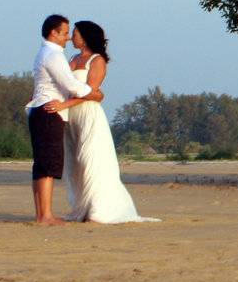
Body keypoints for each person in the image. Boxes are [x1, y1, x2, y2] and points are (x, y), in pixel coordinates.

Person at [51, 19, 158, 224]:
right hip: (71, 119)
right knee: (74, 165)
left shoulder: (97, 60)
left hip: (88, 115)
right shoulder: (72, 58)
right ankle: (81, 207)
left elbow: (92, 92)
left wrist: (65, 105)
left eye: (76, 33)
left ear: (86, 37)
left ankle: (98, 211)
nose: (72, 37)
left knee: (91, 161)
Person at [25, 14, 98, 226]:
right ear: (53, 33)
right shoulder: (53, 55)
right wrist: (93, 93)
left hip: (40, 109)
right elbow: (70, 85)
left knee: (41, 164)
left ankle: (42, 213)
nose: (67, 38)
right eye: (65, 33)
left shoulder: (45, 53)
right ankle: (45, 215)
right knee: (48, 164)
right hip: (49, 110)